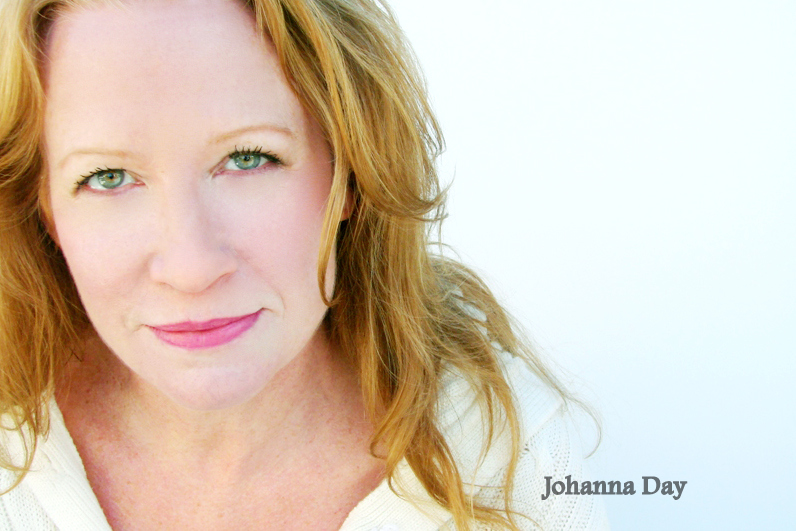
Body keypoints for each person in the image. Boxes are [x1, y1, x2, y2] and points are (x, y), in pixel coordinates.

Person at [0, 0, 608, 529]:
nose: (191, 269)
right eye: (107, 177)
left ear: (351, 175)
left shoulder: (505, 457)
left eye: (248, 158)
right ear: (45, 210)